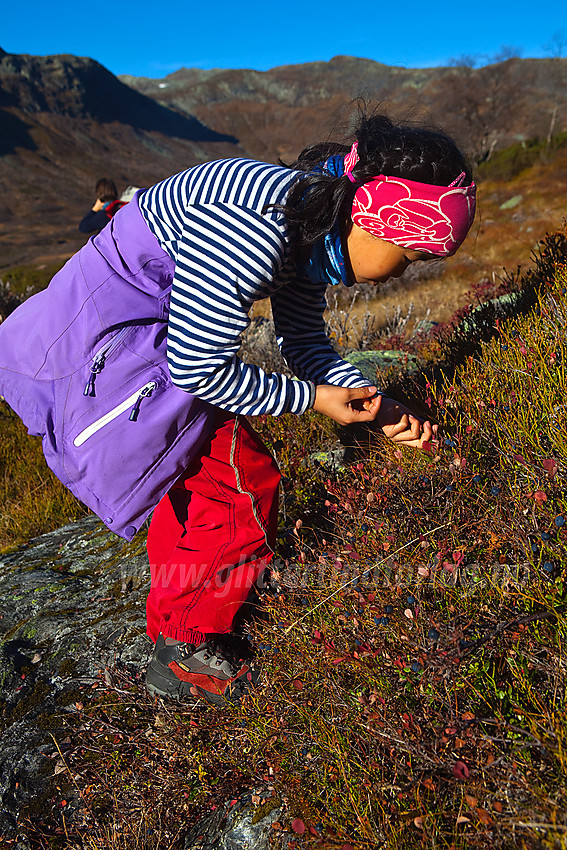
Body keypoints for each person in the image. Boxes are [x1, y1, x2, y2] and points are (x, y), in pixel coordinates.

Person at [0, 112, 475, 706]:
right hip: (90, 353)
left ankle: (179, 613)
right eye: (408, 256)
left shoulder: (308, 218)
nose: (399, 274)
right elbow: (197, 371)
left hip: (114, 344)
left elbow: (302, 343)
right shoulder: (260, 227)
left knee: (195, 477)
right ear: (372, 219)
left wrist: (375, 406)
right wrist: (316, 401)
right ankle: (183, 651)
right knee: (243, 482)